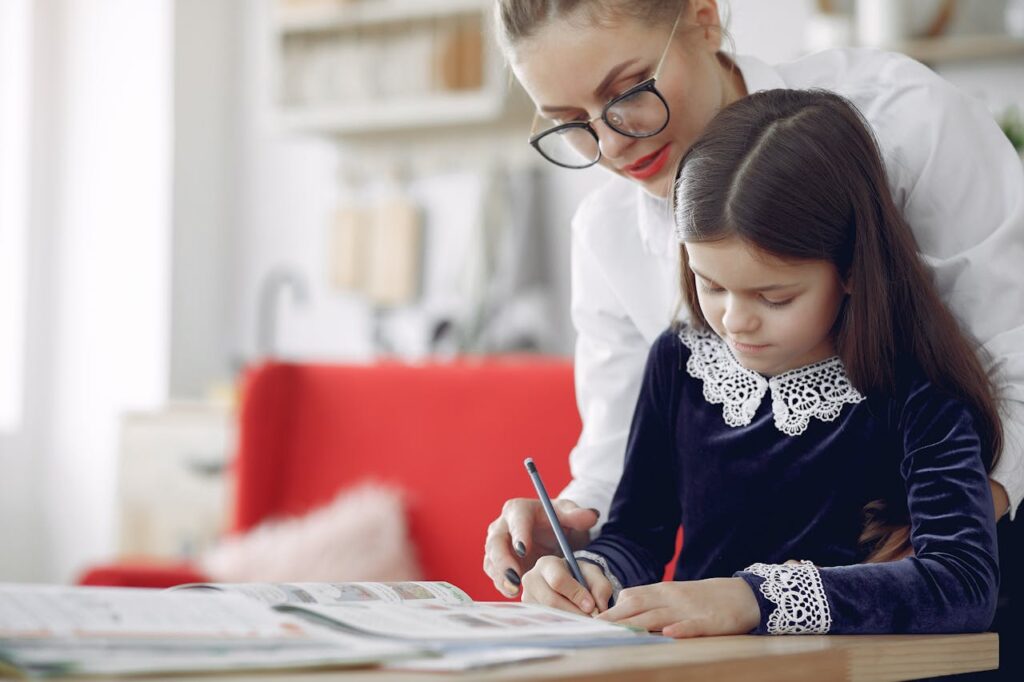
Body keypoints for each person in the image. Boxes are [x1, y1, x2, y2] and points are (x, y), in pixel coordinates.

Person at [484, 0, 1024, 600]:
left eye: (629, 89)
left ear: (703, 18)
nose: (610, 145)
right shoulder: (607, 235)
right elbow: (622, 470)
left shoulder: (904, 121)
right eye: (567, 121)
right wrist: (574, 536)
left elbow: (1011, 354)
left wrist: (937, 546)